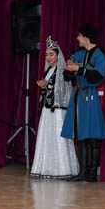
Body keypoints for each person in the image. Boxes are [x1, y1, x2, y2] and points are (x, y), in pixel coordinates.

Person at [60, 23, 105, 182]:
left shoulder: (99, 56)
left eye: (79, 35)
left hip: (91, 96)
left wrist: (78, 70)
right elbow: (68, 77)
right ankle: (82, 171)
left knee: (93, 135)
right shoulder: (78, 54)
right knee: (81, 135)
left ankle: (92, 173)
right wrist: (68, 69)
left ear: (86, 38)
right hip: (78, 96)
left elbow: (97, 77)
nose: (77, 38)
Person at [31, 36, 79, 179]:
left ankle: (62, 169)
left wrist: (47, 85)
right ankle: (46, 167)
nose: (48, 57)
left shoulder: (63, 70)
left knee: (59, 137)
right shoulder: (48, 71)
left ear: (58, 55)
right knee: (46, 137)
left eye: (51, 54)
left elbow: (64, 89)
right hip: (48, 110)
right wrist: (44, 86)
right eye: (46, 55)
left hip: (58, 111)